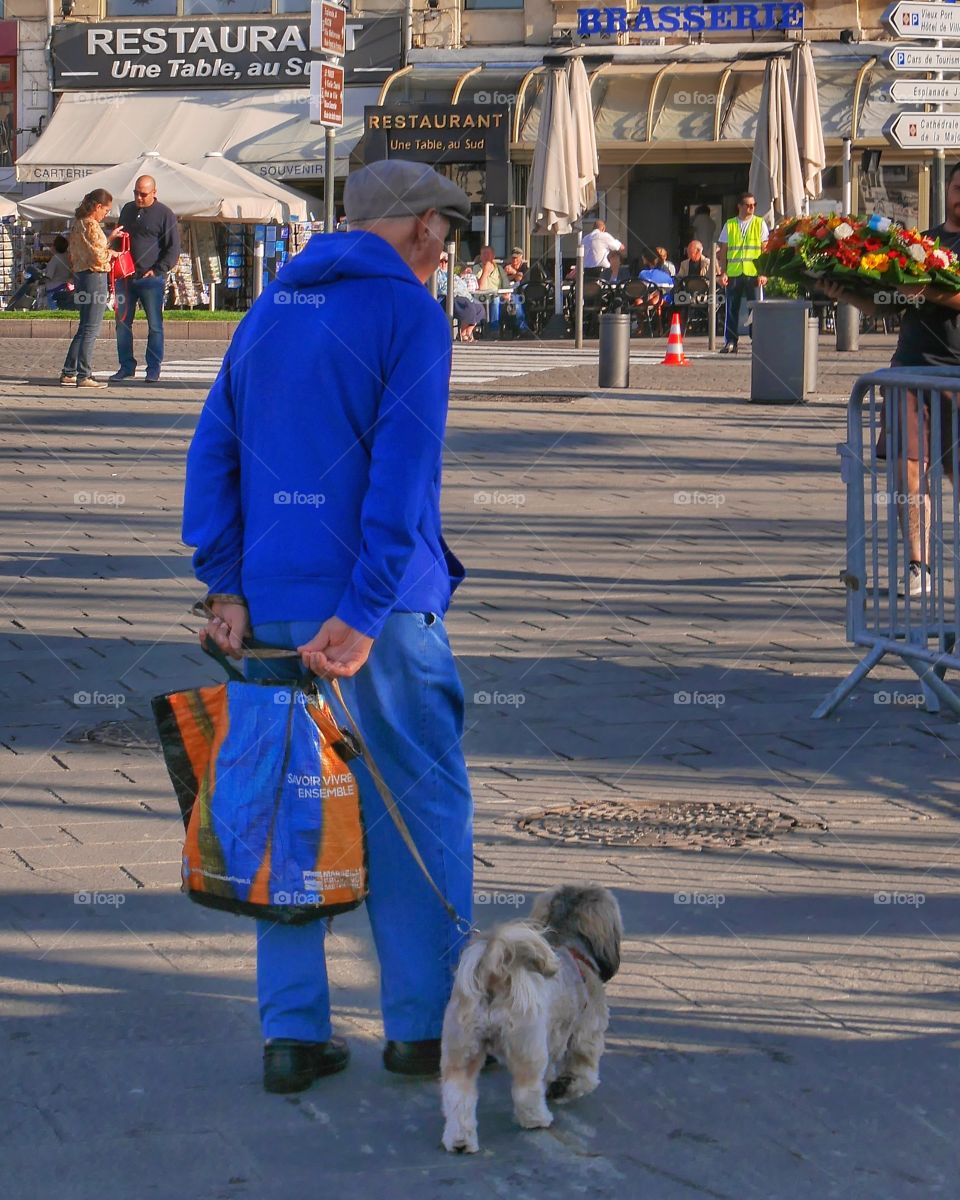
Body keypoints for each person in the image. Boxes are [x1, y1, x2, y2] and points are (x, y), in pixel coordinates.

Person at [183, 159, 474, 1093]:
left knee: (281, 807)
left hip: (267, 602)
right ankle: (423, 1030)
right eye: (449, 232)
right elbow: (403, 477)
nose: (447, 249)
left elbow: (213, 450)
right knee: (415, 809)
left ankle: (294, 1036)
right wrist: (365, 607)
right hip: (372, 613)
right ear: (424, 228)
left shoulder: (271, 310)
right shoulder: (410, 315)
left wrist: (224, 582)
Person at [822, 164, 960, 597]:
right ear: (949, 189)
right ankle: (918, 564)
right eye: (959, 187)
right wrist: (844, 293)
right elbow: (889, 305)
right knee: (907, 472)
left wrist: (927, 291)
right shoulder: (921, 243)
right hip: (910, 372)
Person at [111, 175, 180, 383]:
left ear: (154, 192)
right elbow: (120, 240)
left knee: (155, 325)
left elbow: (173, 247)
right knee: (122, 323)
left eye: (143, 194)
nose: (139, 198)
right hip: (125, 277)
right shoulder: (128, 210)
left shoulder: (165, 214)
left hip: (150, 278)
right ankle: (126, 366)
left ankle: (153, 367)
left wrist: (158, 269)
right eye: (136, 193)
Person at [59, 190, 116, 389]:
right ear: (97, 207)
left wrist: (108, 242)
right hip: (95, 277)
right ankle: (85, 374)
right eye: (106, 210)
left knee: (84, 327)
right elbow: (99, 256)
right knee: (91, 328)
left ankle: (69, 371)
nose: (106, 214)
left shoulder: (78, 223)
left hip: (81, 276)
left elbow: (84, 250)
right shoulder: (92, 225)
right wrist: (112, 254)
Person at [717, 192, 769, 353]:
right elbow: (723, 251)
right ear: (739, 206)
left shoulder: (760, 223)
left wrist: (764, 272)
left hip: (753, 273)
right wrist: (722, 272)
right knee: (731, 308)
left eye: (753, 205)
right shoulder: (730, 224)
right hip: (734, 272)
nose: (751, 207)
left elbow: (764, 249)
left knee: (756, 309)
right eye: (748, 204)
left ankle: (758, 340)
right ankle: (731, 342)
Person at [436, 252, 485, 342]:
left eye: (446, 261)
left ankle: (467, 332)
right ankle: (462, 333)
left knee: (479, 308)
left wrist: (462, 276)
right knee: (468, 305)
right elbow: (442, 288)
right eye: (441, 261)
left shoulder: (452, 274)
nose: (443, 264)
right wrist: (440, 256)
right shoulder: (436, 273)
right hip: (448, 297)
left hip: (462, 295)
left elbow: (463, 286)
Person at [674, 240, 712, 334]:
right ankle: (680, 328)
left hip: (704, 293)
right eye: (688, 253)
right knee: (677, 300)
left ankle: (705, 327)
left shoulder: (707, 263)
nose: (689, 255)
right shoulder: (684, 264)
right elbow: (679, 277)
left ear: (699, 251)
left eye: (691, 253)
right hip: (687, 292)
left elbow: (711, 279)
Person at [44, 235, 73, 309]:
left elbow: (49, 275)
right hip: (66, 286)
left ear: (55, 246)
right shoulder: (68, 258)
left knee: (54, 310)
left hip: (54, 288)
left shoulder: (55, 259)